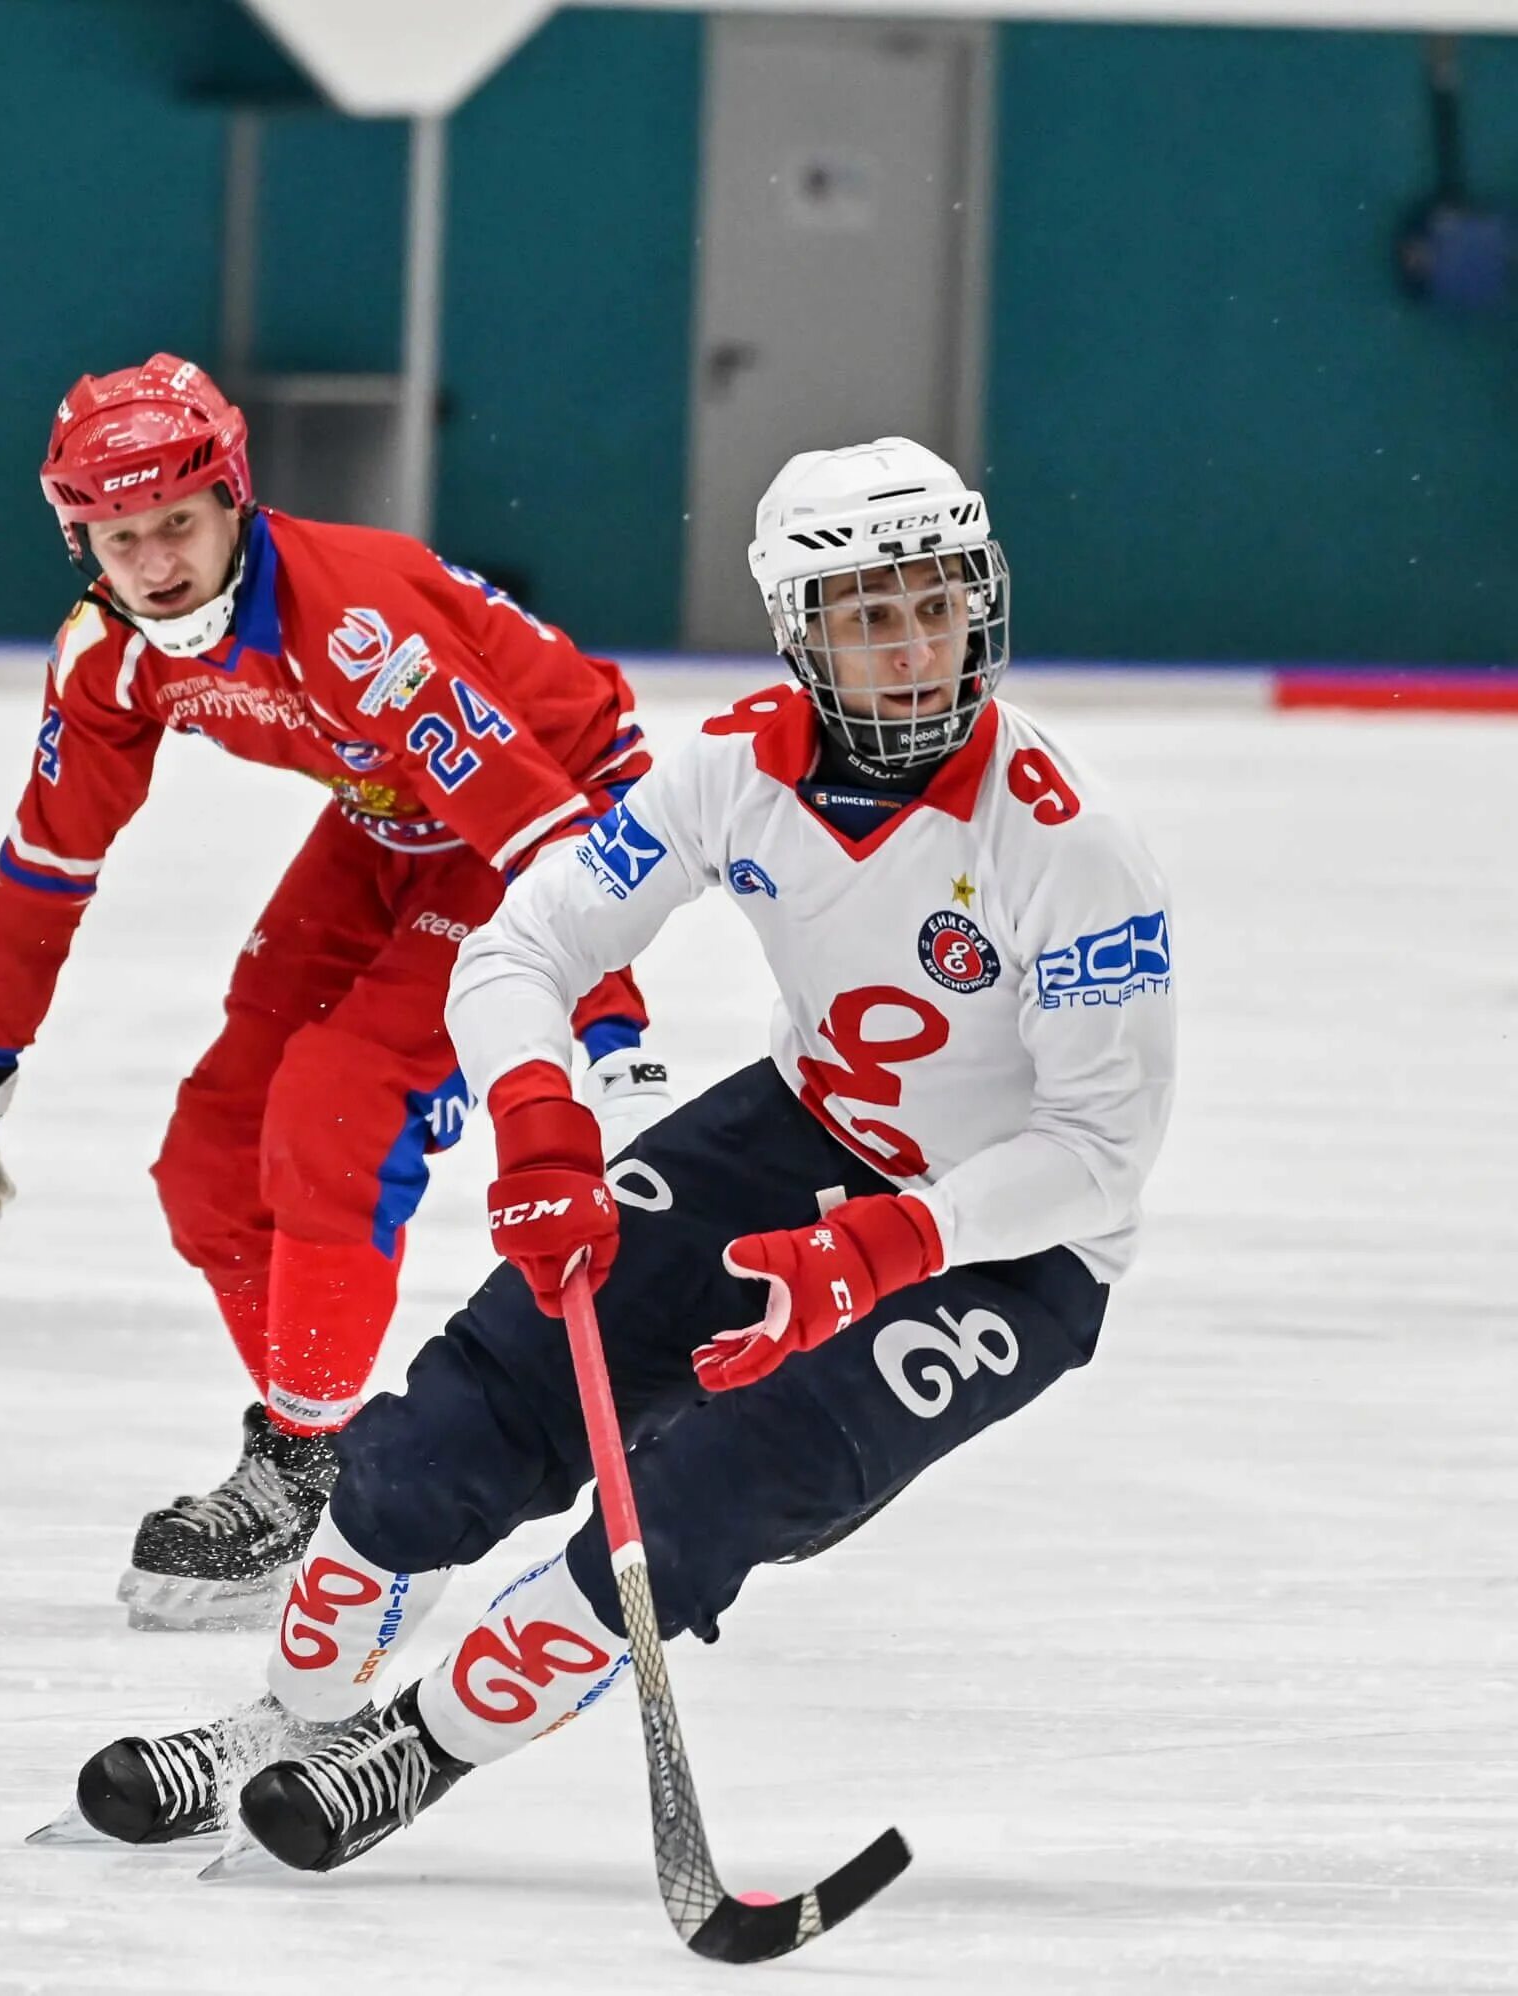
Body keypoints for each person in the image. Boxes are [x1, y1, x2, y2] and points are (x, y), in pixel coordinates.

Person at [68, 438, 1179, 1873]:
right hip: (798, 1137)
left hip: (1010, 1249)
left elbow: (1101, 1155)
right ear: (801, 632)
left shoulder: (1068, 845)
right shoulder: (734, 771)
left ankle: (421, 1747)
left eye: (936, 605)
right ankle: (282, 1722)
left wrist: (888, 1248)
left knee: (702, 1497)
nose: (914, 650)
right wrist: (539, 1126)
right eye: (868, 615)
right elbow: (527, 941)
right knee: (458, 1422)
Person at [0, 355, 662, 1631]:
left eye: (178, 527)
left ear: (234, 500)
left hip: (545, 820)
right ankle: (332, 1454)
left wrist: (615, 1036)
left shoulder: (356, 624)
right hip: (392, 812)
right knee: (205, 1163)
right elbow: (48, 859)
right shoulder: (108, 653)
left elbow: (541, 837)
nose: (154, 565)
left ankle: (308, 1465)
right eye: (119, 536)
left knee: (337, 1106)